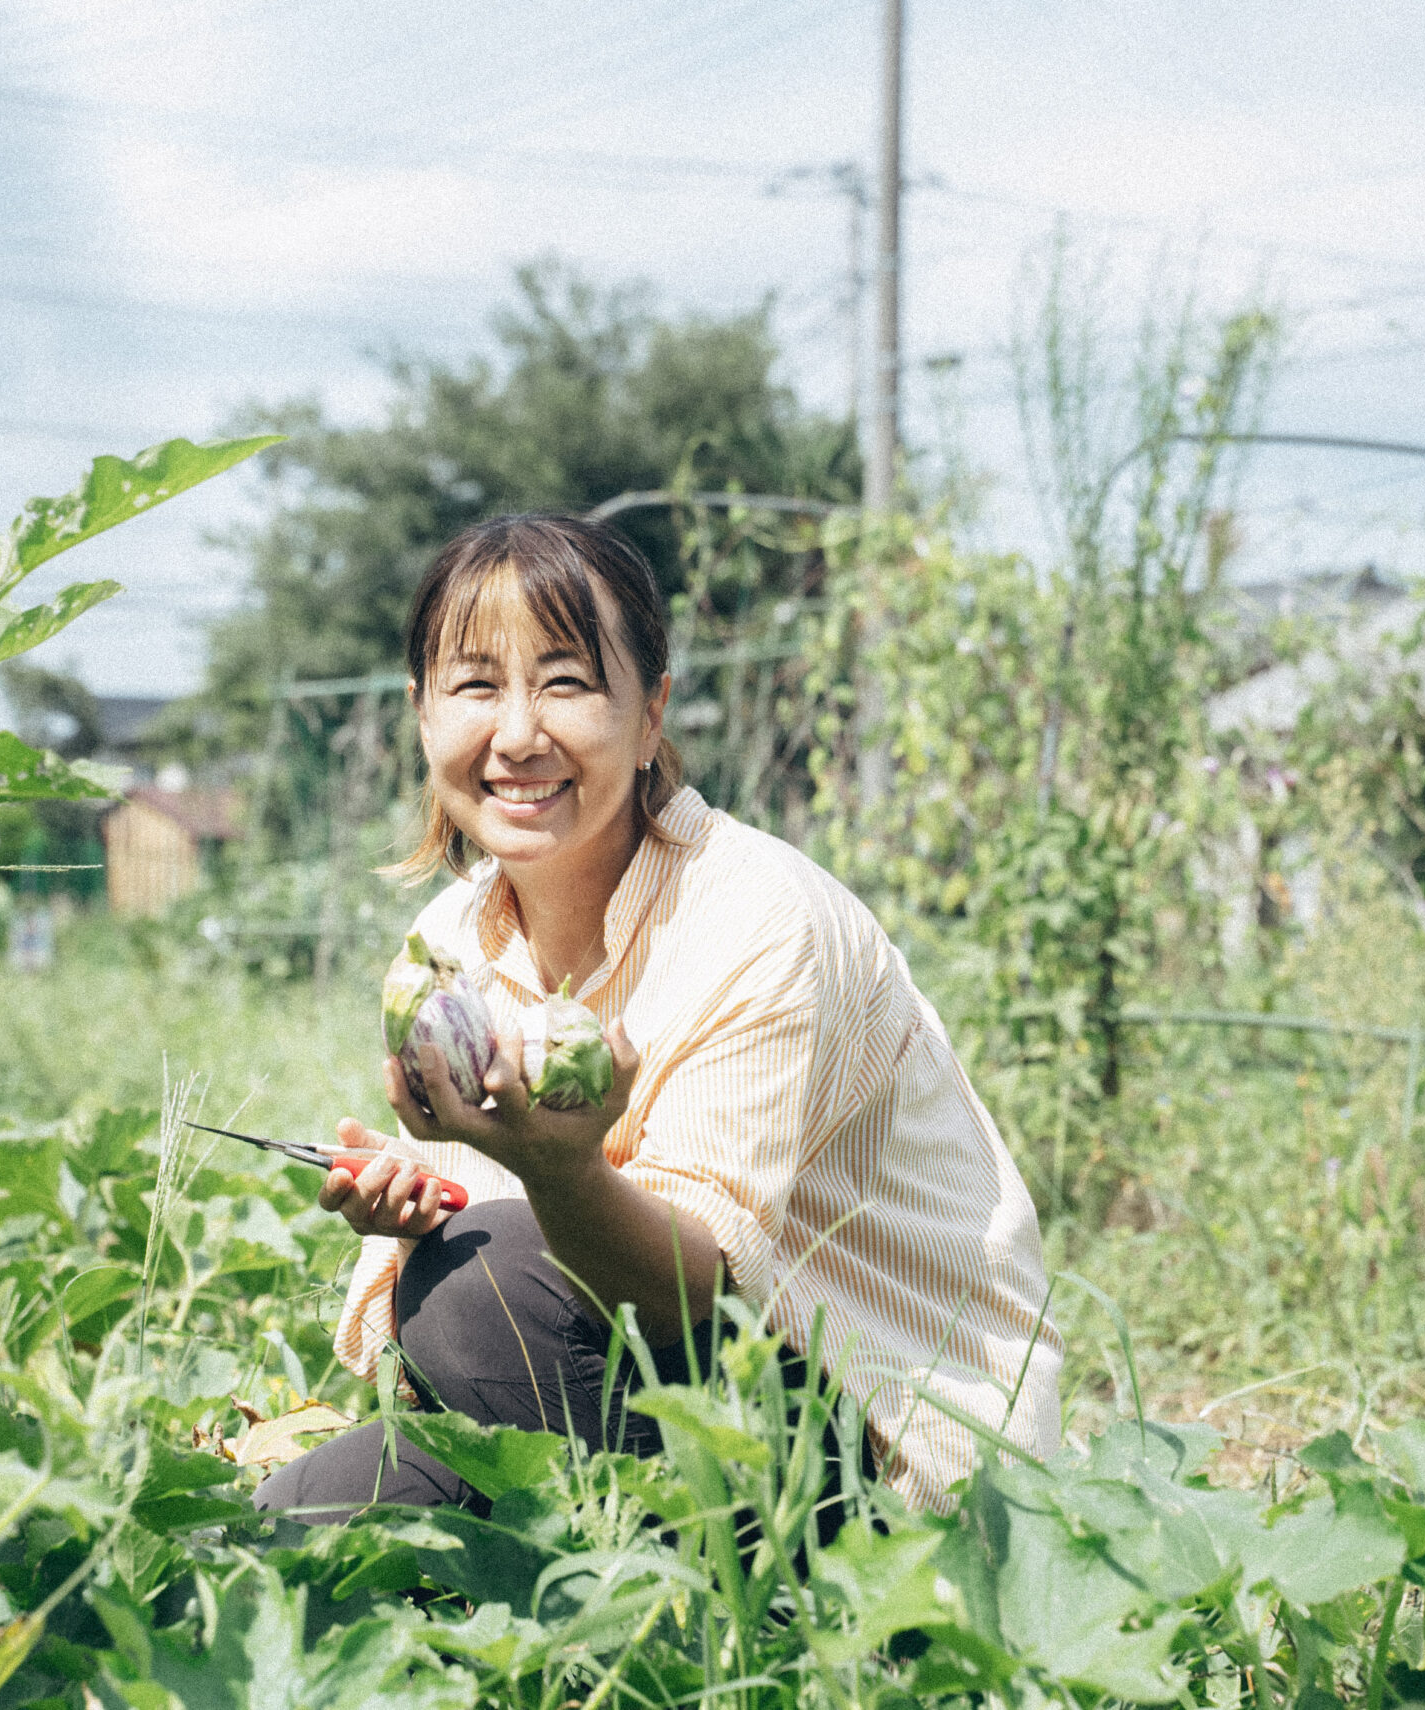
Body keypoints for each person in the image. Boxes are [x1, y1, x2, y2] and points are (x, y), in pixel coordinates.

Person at [252, 513, 1062, 1524]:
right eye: (474, 686)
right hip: (630, 1391)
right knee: (293, 1522)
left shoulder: (760, 914)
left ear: (649, 716)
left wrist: (557, 1169)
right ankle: (598, 1574)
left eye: (565, 681)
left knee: (472, 1296)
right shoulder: (451, 940)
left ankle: (762, 1613)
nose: (515, 734)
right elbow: (519, 1250)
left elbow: (684, 1291)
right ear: (422, 716)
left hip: (882, 1451)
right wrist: (416, 1209)